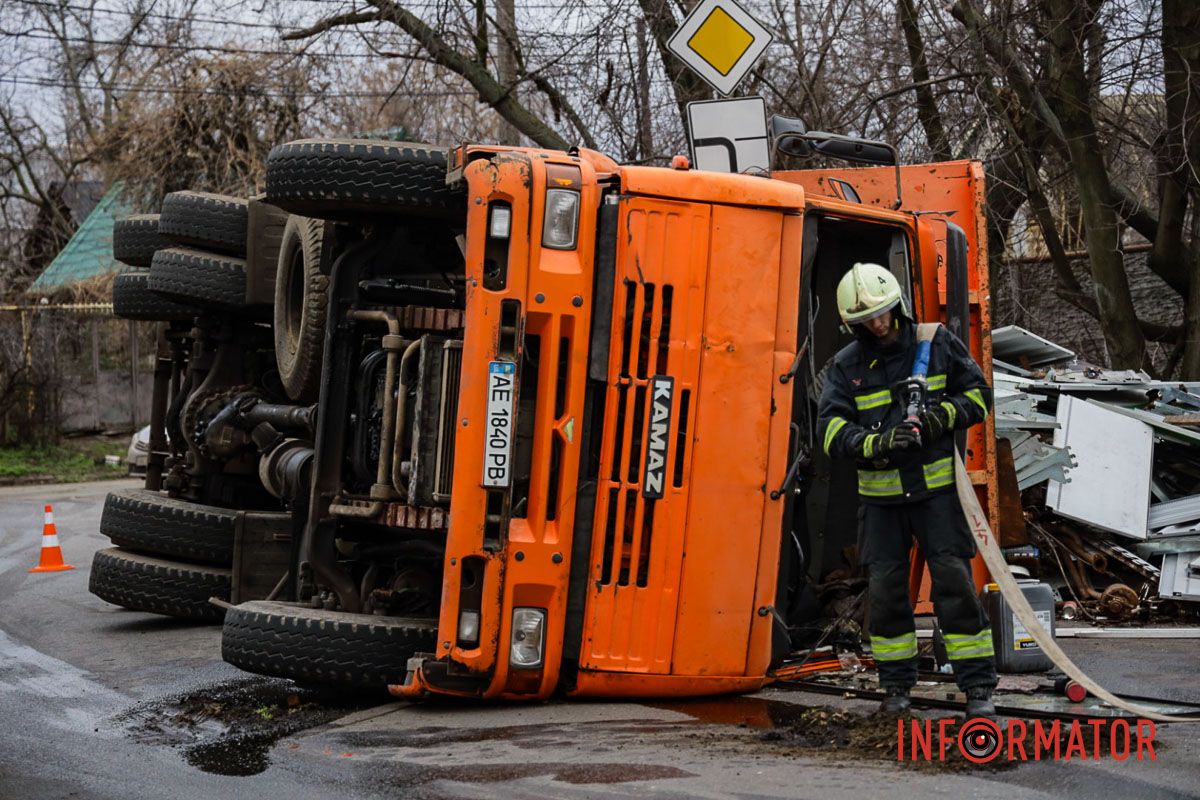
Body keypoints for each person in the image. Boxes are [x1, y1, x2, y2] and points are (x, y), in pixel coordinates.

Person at [817, 262, 997, 717]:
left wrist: (938, 418)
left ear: (897, 305)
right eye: (866, 320)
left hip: (936, 496)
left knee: (955, 586)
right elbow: (829, 432)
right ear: (851, 324)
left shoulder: (933, 343)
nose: (877, 325)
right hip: (881, 505)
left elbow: (978, 395)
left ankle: (978, 689)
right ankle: (896, 690)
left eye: (882, 314)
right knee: (888, 594)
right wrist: (877, 442)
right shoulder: (845, 367)